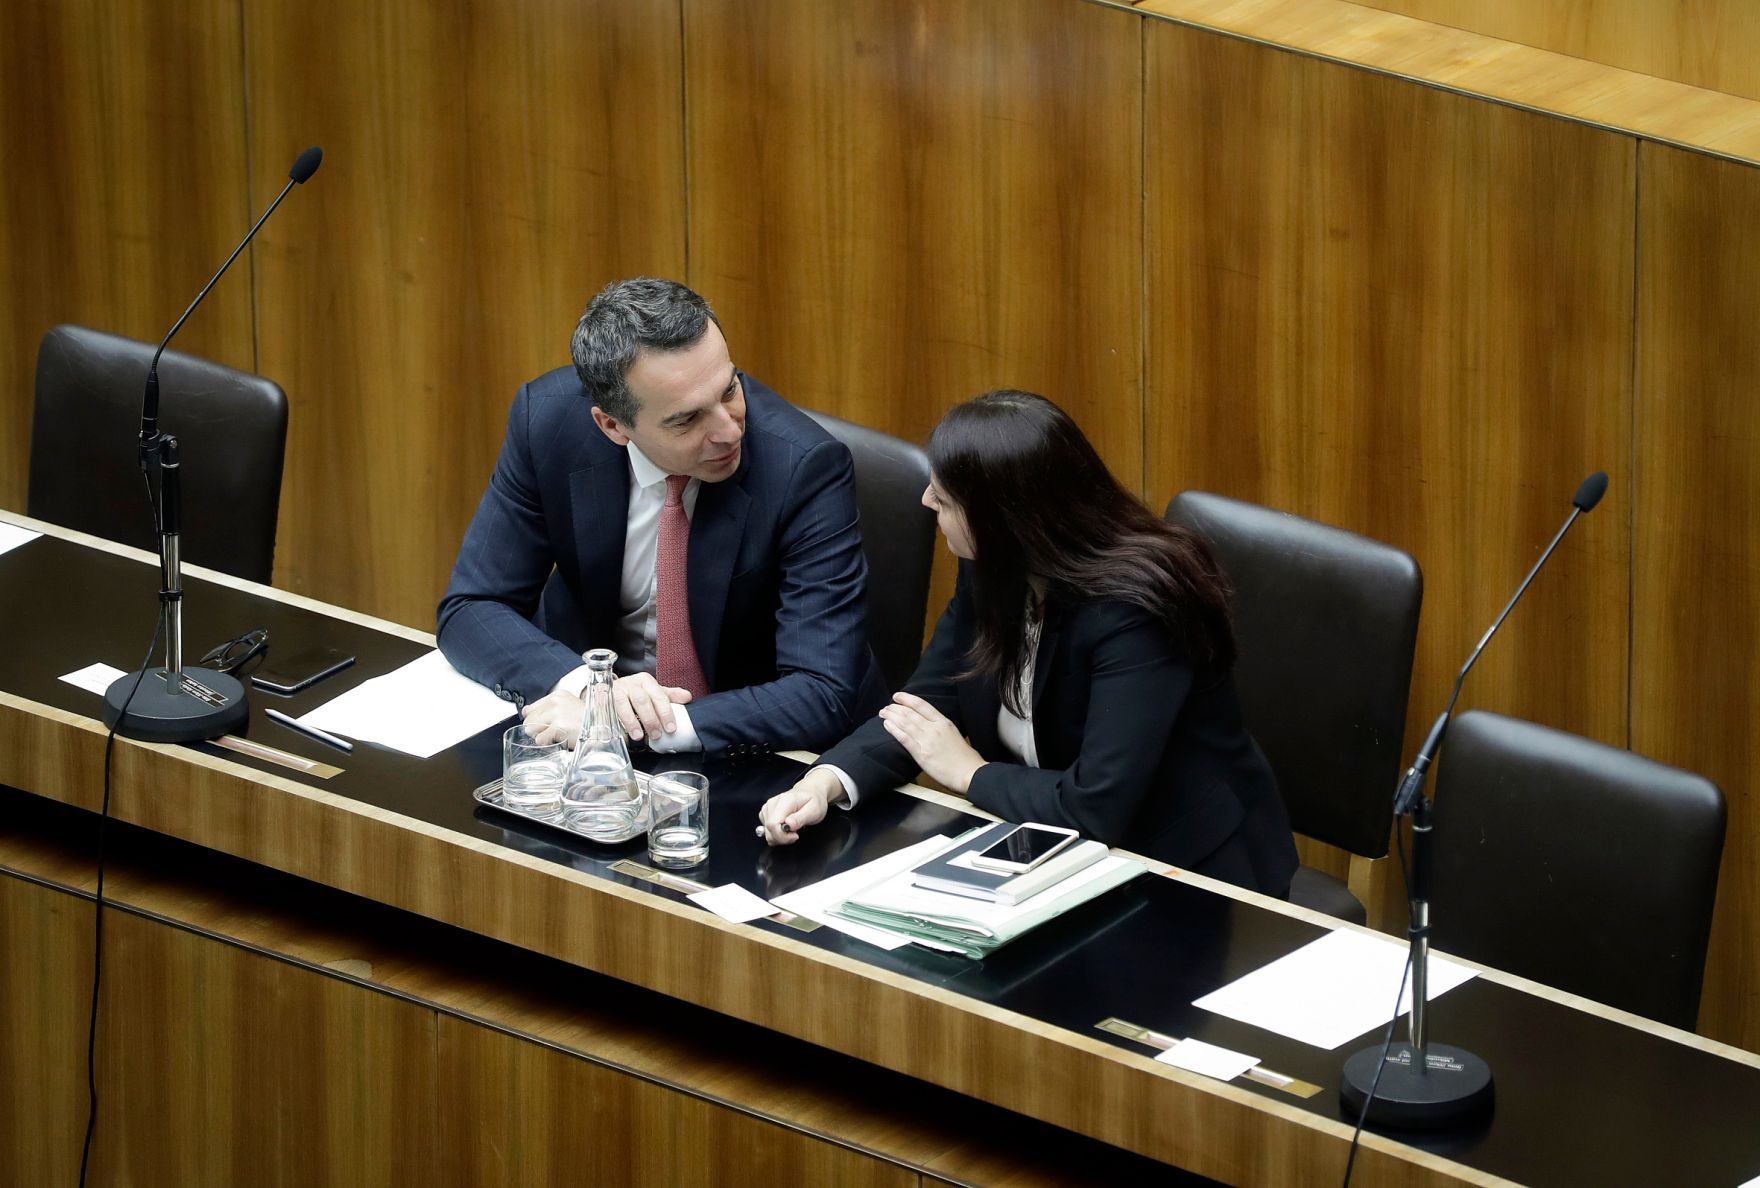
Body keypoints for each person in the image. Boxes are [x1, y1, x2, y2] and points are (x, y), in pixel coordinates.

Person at [757, 390, 1298, 897]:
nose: (925, 502)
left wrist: (969, 773)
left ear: (1006, 521)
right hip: (1043, 847)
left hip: (1182, 873)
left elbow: (1096, 808)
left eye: (943, 498)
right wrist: (827, 780)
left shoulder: (1138, 613)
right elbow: (926, 710)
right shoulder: (993, 569)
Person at [438, 277, 884, 754]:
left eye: (729, 389)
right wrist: (590, 693)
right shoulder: (546, 425)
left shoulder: (804, 467)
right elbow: (473, 607)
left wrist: (633, 727)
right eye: (686, 419)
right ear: (612, 425)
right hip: (579, 737)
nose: (728, 430)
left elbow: (821, 689)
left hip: (750, 746)